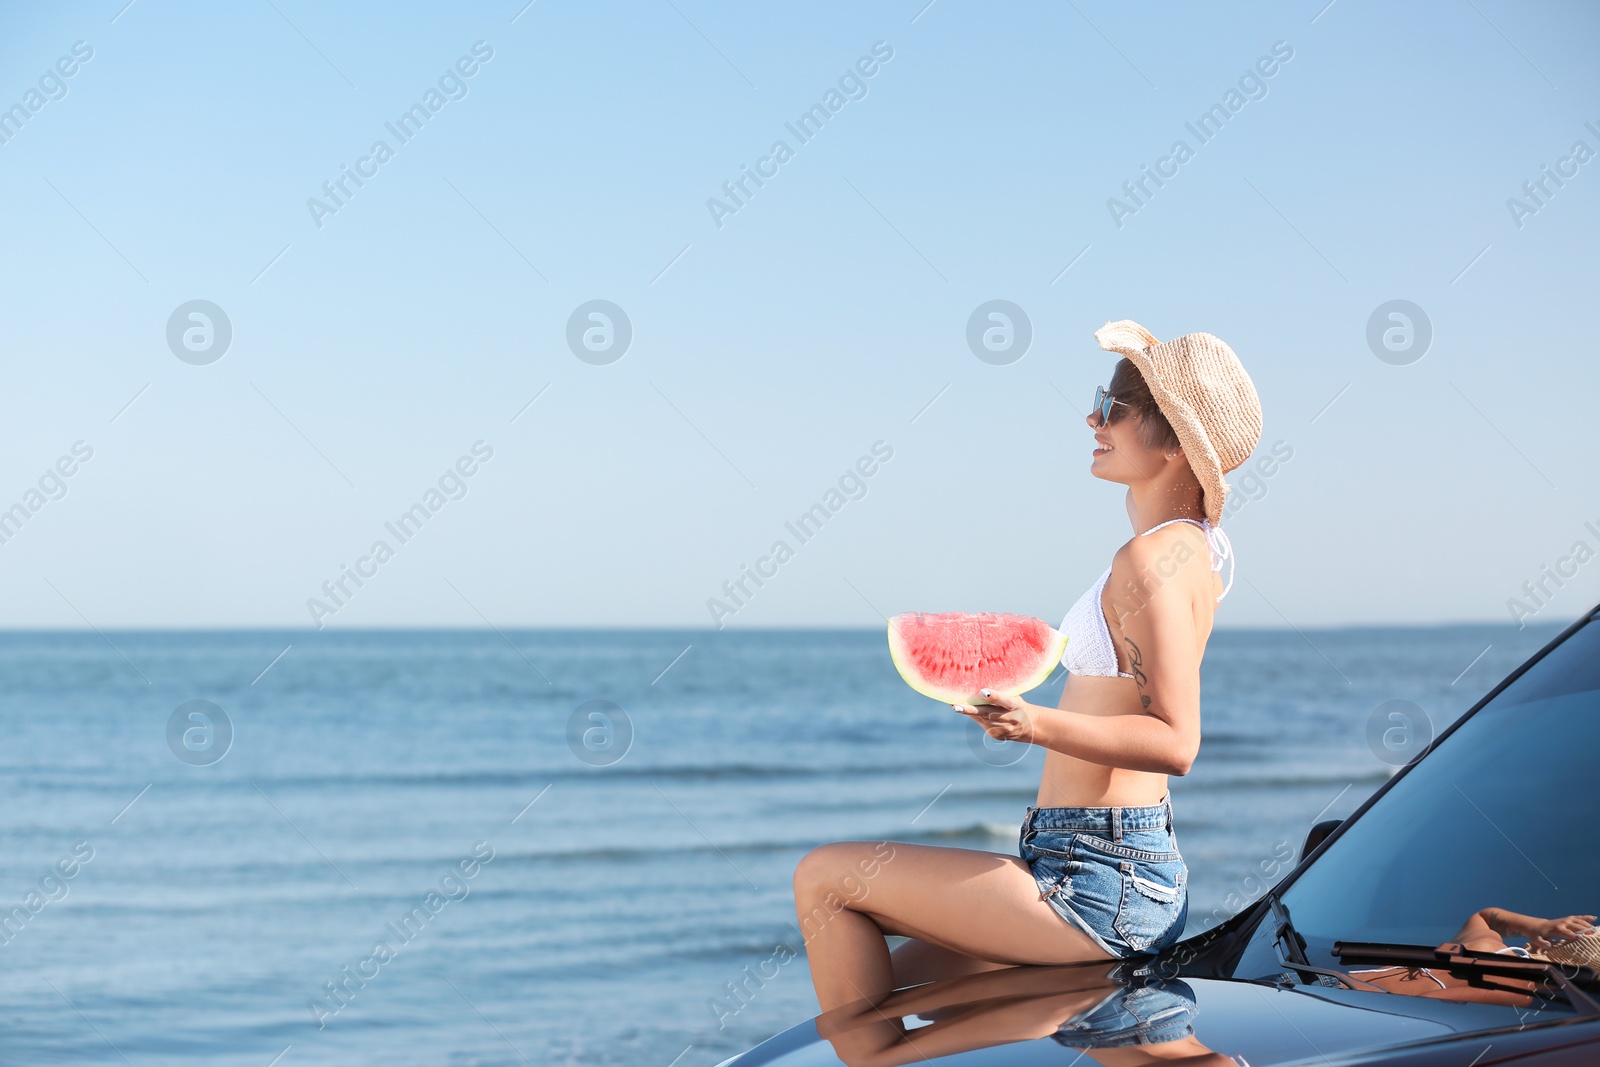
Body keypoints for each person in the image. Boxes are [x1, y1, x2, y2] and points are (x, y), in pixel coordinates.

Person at [793, 319, 1265, 1012]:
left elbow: (1176, 740)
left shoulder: (1149, 562)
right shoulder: (1192, 552)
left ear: (1173, 443)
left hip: (1101, 879)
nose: (1091, 417)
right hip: (1104, 862)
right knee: (893, 992)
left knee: (823, 879)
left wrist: (1031, 723)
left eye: (1113, 408)